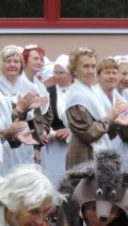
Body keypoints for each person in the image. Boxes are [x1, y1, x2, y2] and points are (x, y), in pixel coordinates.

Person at [63, 47, 128, 169]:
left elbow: (102, 130)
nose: (90, 71)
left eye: (93, 66)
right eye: (86, 66)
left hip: (97, 152)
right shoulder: (77, 95)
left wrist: (115, 122)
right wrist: (110, 117)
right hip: (83, 154)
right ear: (75, 70)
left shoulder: (91, 91)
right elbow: (88, 133)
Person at [41, 54, 73, 185]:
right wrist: (52, 133)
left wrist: (72, 131)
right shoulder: (48, 91)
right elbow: (42, 119)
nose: (57, 76)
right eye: (56, 72)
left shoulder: (78, 91)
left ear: (71, 74)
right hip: (53, 145)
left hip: (74, 145)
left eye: (62, 73)